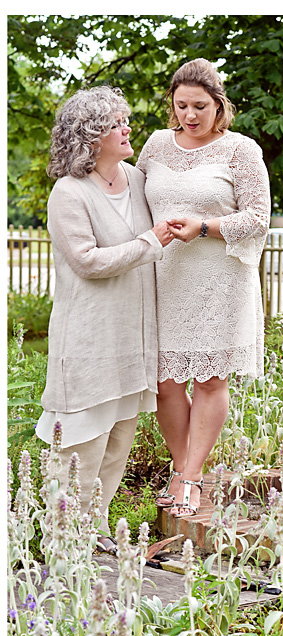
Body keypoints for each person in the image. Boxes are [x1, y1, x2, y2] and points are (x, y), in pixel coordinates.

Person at [37, 86, 175, 548]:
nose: (127, 127)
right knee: (83, 443)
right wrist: (150, 243)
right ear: (91, 136)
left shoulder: (137, 179)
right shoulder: (69, 192)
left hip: (133, 338)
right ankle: (63, 538)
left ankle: (92, 532)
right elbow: (87, 261)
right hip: (89, 339)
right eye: (118, 123)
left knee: (118, 442)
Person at [137, 58, 270, 516]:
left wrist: (205, 226)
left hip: (220, 279)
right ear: (172, 105)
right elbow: (134, 203)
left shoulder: (241, 150)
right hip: (163, 277)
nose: (190, 115)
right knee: (164, 383)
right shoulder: (154, 146)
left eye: (200, 106)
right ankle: (182, 470)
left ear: (219, 105)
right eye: (182, 106)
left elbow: (258, 217)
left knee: (210, 379)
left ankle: (191, 478)